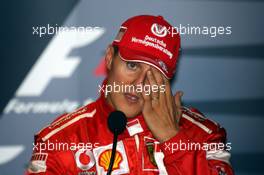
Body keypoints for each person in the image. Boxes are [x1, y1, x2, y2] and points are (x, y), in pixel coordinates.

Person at [26, 15, 234, 175]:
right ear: (109, 58)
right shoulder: (59, 141)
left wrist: (172, 139)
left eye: (154, 75)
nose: (139, 83)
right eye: (132, 65)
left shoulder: (204, 135)